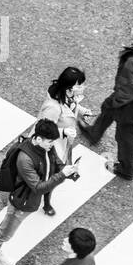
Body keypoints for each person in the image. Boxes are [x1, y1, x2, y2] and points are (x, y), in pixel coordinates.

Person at [0, 119, 76, 265]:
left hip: (29, 201)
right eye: (50, 142)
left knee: (5, 231)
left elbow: (55, 162)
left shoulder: (45, 147)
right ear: (39, 138)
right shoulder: (25, 159)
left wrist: (66, 171)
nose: (52, 145)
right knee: (3, 234)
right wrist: (62, 175)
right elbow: (38, 187)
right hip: (21, 202)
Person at [78, 20, 133, 182]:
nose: (131, 30)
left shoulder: (132, 63)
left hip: (129, 104)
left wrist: (115, 102)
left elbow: (127, 92)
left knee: (124, 134)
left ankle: (126, 168)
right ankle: (94, 133)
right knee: (108, 109)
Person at [38, 66, 90, 215]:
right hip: (51, 150)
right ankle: (46, 203)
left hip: (64, 146)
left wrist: (82, 111)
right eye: (79, 85)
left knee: (57, 174)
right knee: (51, 177)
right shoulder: (53, 107)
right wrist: (63, 132)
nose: (83, 87)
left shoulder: (68, 96)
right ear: (69, 89)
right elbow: (41, 128)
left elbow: (73, 106)